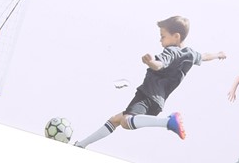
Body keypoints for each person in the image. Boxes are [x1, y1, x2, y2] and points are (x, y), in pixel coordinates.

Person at [74, 16, 226, 148]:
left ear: (176, 36)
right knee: (115, 120)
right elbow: (205, 56)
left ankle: (168, 122)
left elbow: (160, 65)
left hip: (148, 93)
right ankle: (81, 144)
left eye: (162, 36)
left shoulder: (171, 51)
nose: (160, 40)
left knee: (126, 122)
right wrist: (218, 54)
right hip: (158, 101)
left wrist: (150, 62)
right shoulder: (190, 54)